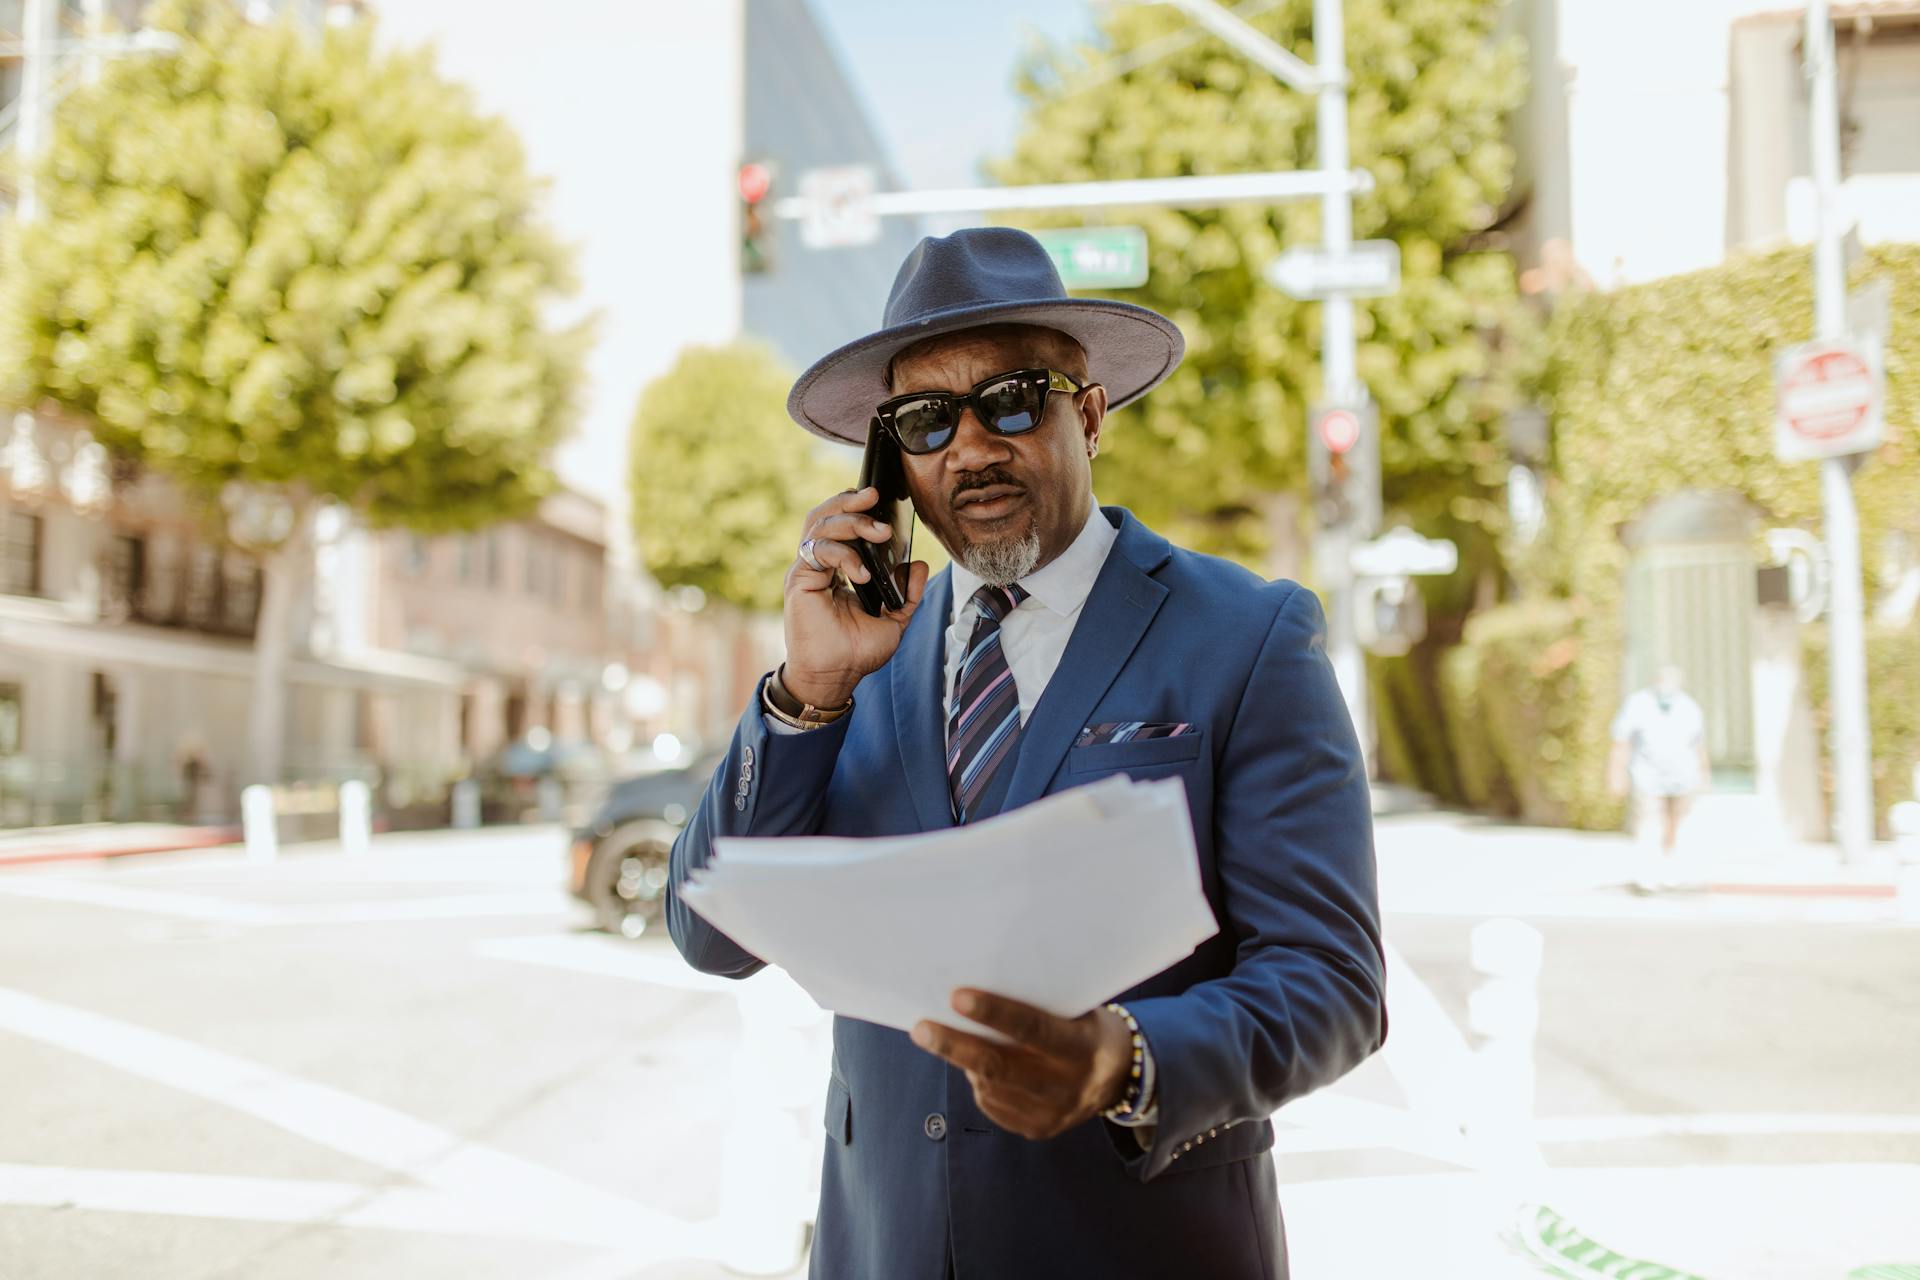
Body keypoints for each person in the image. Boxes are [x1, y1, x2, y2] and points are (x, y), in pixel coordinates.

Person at [666, 227, 1384, 1279]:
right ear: (893, 460)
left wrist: (1123, 1061)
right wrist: (806, 693)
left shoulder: (1247, 635)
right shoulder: (854, 658)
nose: (970, 446)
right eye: (924, 419)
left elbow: (1331, 980)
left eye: (1012, 399)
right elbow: (707, 931)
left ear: (1088, 414)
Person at [1608, 665, 1712, 892]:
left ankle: (1671, 871)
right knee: (1648, 824)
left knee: (1677, 825)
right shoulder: (1638, 704)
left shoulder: (1688, 707)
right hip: (1647, 778)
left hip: (1683, 778)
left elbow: (1699, 745)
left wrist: (1704, 775)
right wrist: (1617, 774)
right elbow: (1622, 741)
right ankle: (1647, 874)